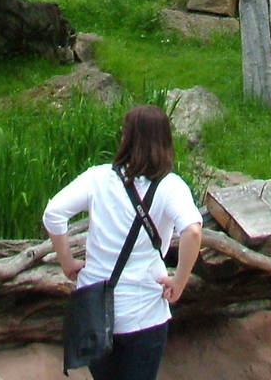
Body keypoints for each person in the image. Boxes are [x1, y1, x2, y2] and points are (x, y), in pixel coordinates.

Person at [44, 105, 204, 380]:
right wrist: (179, 281)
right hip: (144, 312)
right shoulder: (170, 186)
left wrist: (67, 261)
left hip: (95, 310)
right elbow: (193, 232)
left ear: (126, 138)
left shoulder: (97, 178)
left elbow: (53, 214)